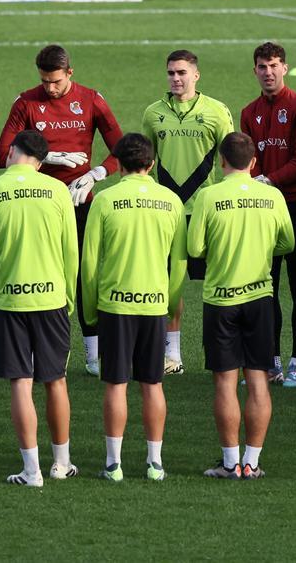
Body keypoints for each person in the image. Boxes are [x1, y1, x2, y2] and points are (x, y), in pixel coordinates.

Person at [0, 45, 124, 376]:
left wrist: (96, 174)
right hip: (36, 205)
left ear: (70, 73)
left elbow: (121, 150)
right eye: (44, 81)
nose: (50, 89)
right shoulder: (26, 102)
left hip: (80, 202)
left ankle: (93, 355)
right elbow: (1, 156)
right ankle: (38, 353)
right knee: (38, 275)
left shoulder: (92, 99)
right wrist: (45, 156)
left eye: (55, 81)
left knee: (84, 276)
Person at [80, 133, 186, 482]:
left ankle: (114, 464)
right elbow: (179, 262)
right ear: (151, 164)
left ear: (119, 165)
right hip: (155, 305)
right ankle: (155, 463)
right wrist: (169, 302)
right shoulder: (171, 200)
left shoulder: (105, 200)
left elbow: (90, 262)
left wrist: (91, 308)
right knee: (152, 384)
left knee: (115, 384)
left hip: (115, 305)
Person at [0, 130, 79, 486]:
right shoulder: (58, 191)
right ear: (41, 160)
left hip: (12, 298)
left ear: (14, 153)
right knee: (55, 381)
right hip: (52, 297)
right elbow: (71, 250)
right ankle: (61, 463)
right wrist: (68, 296)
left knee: (21, 383)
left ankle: (31, 470)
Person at [189, 133, 294, 480]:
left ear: (222, 161)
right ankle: (252, 461)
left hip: (221, 300)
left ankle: (230, 462)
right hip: (260, 298)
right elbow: (287, 242)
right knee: (258, 380)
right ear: (253, 163)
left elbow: (195, 249)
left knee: (225, 383)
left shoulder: (208, 196)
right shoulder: (272, 195)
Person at [141, 50, 234, 376]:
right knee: (170, 287)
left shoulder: (216, 112)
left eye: (182, 73)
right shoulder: (153, 113)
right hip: (167, 213)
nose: (176, 79)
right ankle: (173, 356)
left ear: (196, 75)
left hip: (205, 212)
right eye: (171, 73)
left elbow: (232, 160)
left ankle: (224, 356)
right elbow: (145, 160)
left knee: (219, 283)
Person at [239, 42, 296, 387]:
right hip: (264, 208)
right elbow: (248, 158)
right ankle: (268, 359)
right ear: (255, 70)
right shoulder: (248, 112)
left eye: (274, 65)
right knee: (264, 285)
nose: (268, 72)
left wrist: (267, 180)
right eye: (262, 66)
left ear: (285, 68)